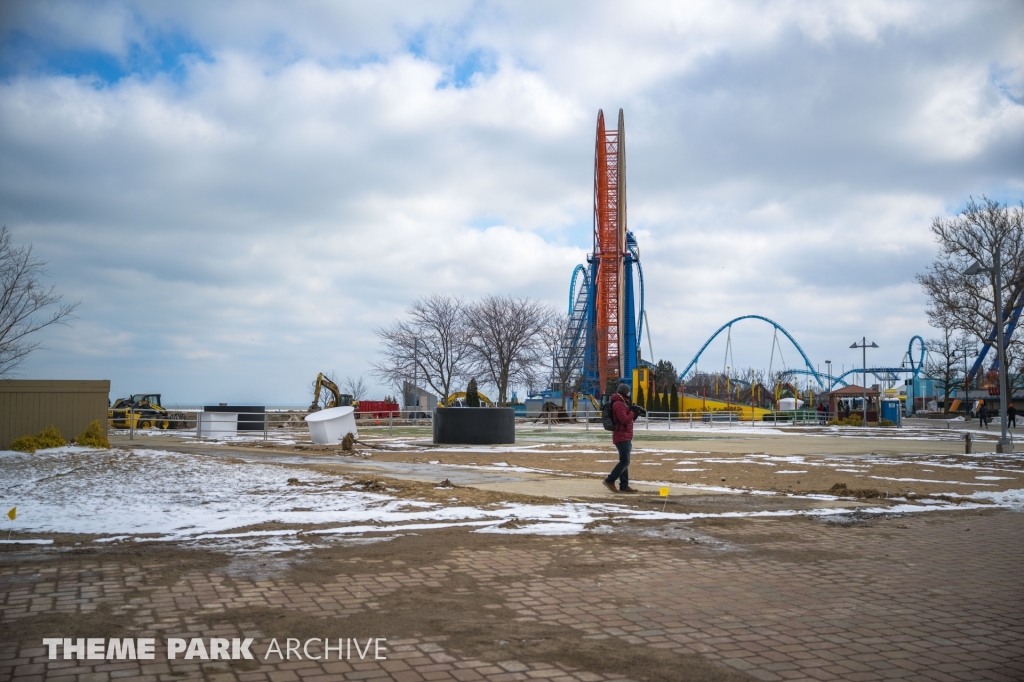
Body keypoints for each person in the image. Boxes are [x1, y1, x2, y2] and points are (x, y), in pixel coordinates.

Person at [604, 383, 640, 493]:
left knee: (625, 461)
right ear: (625, 392)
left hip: (625, 435)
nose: (630, 393)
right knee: (625, 461)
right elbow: (624, 420)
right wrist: (633, 412)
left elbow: (628, 421)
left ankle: (624, 485)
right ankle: (610, 480)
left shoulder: (623, 403)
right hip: (621, 435)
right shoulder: (619, 404)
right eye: (629, 391)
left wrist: (635, 413)